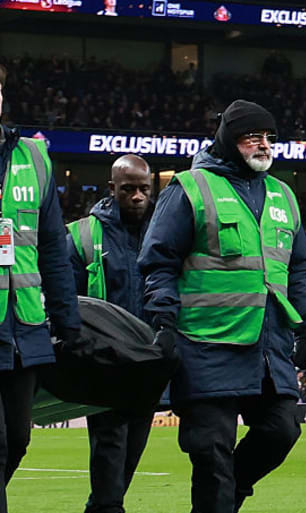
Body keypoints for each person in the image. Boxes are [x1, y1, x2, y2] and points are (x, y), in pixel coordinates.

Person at [138, 100, 306, 513]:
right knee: (209, 450)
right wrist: (163, 321)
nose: (263, 145)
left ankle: (229, 493)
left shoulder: (283, 195)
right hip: (204, 344)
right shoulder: (189, 188)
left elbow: (297, 270)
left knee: (281, 431)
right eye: (252, 137)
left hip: (268, 347)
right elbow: (158, 262)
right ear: (227, 140)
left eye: (269, 137)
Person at [0, 64, 82, 512]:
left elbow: (53, 246)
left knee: (18, 438)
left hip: (24, 325)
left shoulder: (34, 157)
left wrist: (67, 321)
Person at [66, 154, 155, 513]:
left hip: (150, 361)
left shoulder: (164, 232)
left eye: (144, 189)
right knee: (111, 442)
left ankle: (103, 506)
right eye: (128, 189)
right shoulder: (83, 234)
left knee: (132, 447)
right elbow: (69, 298)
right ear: (111, 188)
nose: (137, 196)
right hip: (104, 359)